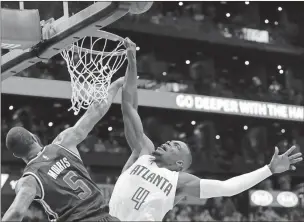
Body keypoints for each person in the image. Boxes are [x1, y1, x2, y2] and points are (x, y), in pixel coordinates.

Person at [109, 38, 303, 221]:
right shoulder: (143, 151)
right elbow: (129, 105)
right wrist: (132, 62)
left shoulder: (181, 181)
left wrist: (269, 170)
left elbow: (227, 187)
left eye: (175, 145)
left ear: (179, 163)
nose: (168, 142)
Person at [3, 77, 124, 222]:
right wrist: (116, 85)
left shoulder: (29, 180)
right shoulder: (63, 142)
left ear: (16, 155)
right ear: (34, 137)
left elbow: (16, 212)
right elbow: (95, 111)